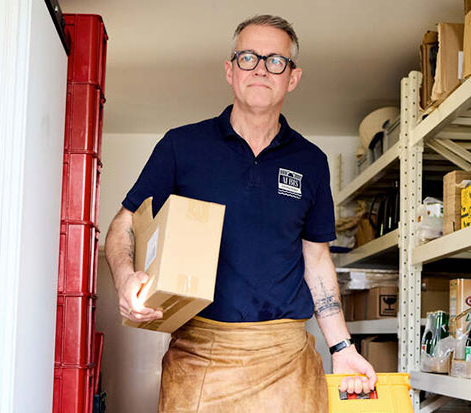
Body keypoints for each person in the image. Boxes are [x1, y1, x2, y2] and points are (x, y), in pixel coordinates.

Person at [105, 14, 377, 412]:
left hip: (287, 360)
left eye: (275, 60)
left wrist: (342, 347)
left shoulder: (311, 162)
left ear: (293, 77)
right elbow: (125, 222)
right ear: (230, 71)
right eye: (248, 58)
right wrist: (126, 278)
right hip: (199, 358)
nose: (261, 69)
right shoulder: (182, 146)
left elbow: (316, 260)